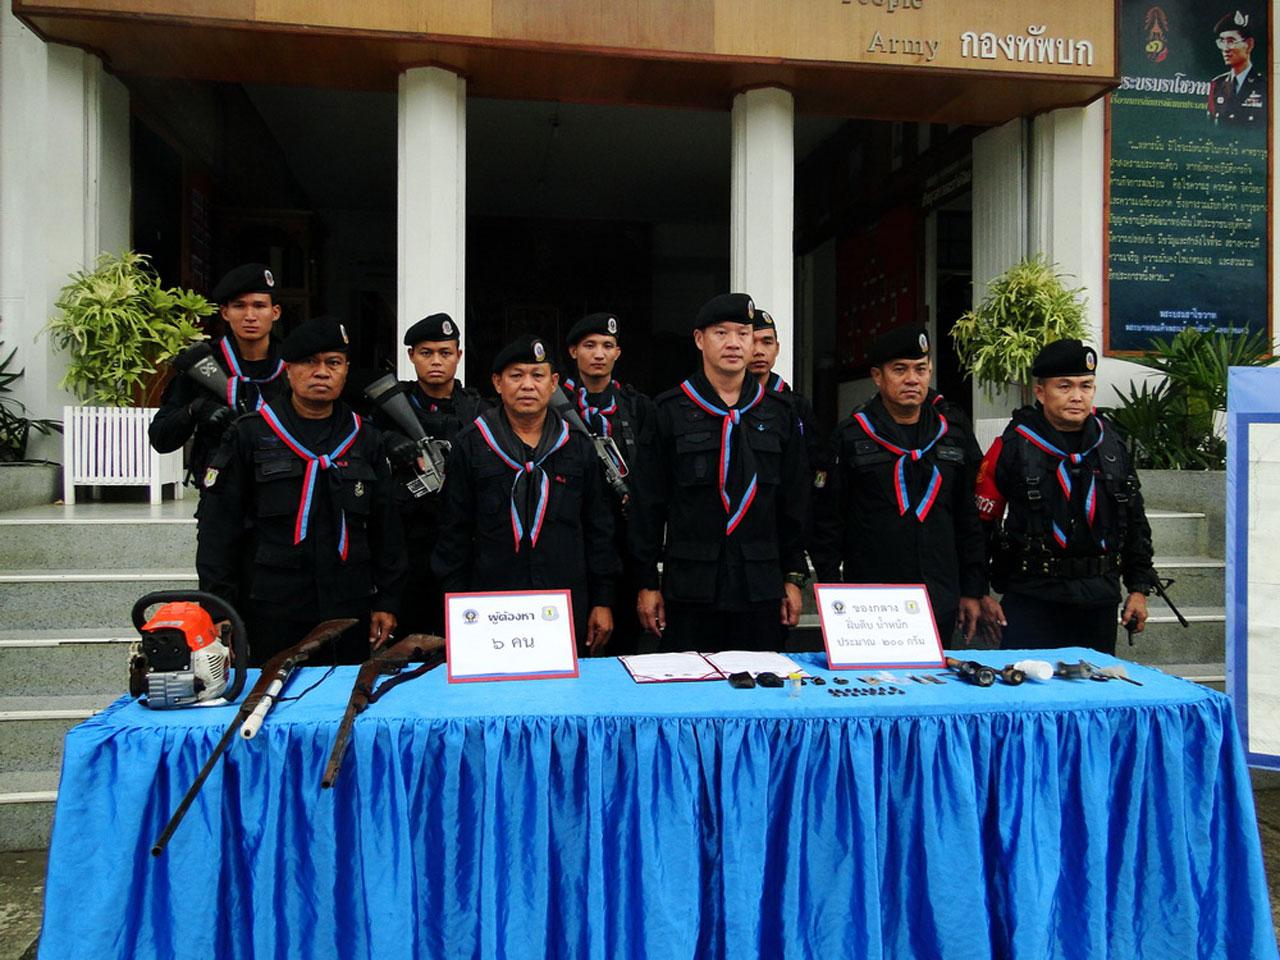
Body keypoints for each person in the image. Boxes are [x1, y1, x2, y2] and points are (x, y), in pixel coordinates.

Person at [197, 317, 407, 665]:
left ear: (345, 370)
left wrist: (387, 601)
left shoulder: (365, 438)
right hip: (272, 606)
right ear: (288, 370)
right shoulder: (250, 434)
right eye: (309, 362)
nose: (321, 372)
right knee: (271, 693)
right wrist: (219, 607)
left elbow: (386, 529)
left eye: (333, 363)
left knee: (344, 693)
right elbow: (219, 530)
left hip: (348, 604)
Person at [631, 293, 810, 653]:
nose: (733, 343)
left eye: (743, 333)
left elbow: (794, 501)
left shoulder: (780, 412)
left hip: (760, 586)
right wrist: (647, 582)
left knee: (761, 682)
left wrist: (793, 577)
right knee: (690, 681)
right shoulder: (668, 411)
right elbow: (647, 504)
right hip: (691, 587)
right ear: (700, 340)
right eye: (721, 333)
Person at [431, 334, 618, 654]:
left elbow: (598, 528)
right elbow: (453, 533)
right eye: (516, 375)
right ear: (497, 383)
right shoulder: (472, 444)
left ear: (553, 383)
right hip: (490, 606)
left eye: (537, 375)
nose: (527, 385)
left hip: (563, 604)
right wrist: (455, 605)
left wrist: (603, 600)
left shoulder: (577, 445)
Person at [974, 339, 1156, 655]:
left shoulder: (1111, 445)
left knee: (1092, 684)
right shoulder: (1012, 446)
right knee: (1025, 685)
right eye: (1064, 386)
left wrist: (1139, 588)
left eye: (1086, 386)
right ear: (1040, 392)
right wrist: (978, 591)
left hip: (1098, 598)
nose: (1077, 396)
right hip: (1032, 596)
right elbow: (979, 524)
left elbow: (1134, 520)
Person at [810, 325, 986, 645]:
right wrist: (832, 590)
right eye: (900, 370)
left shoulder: (951, 435)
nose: (912, 379)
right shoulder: (850, 437)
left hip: (939, 594)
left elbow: (967, 519)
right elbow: (827, 523)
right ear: (878, 376)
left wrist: (973, 589)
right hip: (872, 603)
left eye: (920, 369)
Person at [375, 313, 486, 635]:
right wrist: (390, 441)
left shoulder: (478, 410)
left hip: (464, 544)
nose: (436, 361)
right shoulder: (389, 408)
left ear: (459, 356)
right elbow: (364, 443)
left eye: (445, 352)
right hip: (410, 545)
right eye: (426, 353)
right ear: (411, 356)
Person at [560, 311, 657, 655]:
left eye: (607, 345)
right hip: (571, 540)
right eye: (590, 345)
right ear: (574, 351)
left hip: (625, 542)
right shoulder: (552, 406)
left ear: (618, 352)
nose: (599, 354)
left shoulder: (637, 407)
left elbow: (652, 474)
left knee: (624, 649)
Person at [150, 263, 289, 494]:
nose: (250, 316)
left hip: (281, 487)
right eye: (239, 306)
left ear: (275, 312)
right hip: (220, 490)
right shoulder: (202, 364)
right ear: (225, 313)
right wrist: (194, 410)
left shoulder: (293, 364)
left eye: (259, 306)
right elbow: (160, 439)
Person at [748, 307, 829, 493]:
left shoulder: (796, 406)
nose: (759, 351)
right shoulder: (727, 403)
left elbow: (818, 464)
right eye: (751, 342)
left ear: (777, 348)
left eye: (767, 342)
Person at [1207, 10, 1265, 127]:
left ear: (1249, 44)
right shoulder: (1217, 84)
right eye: (1222, 42)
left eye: (1231, 41)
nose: (1225, 48)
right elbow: (1210, 125)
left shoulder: (1263, 85)